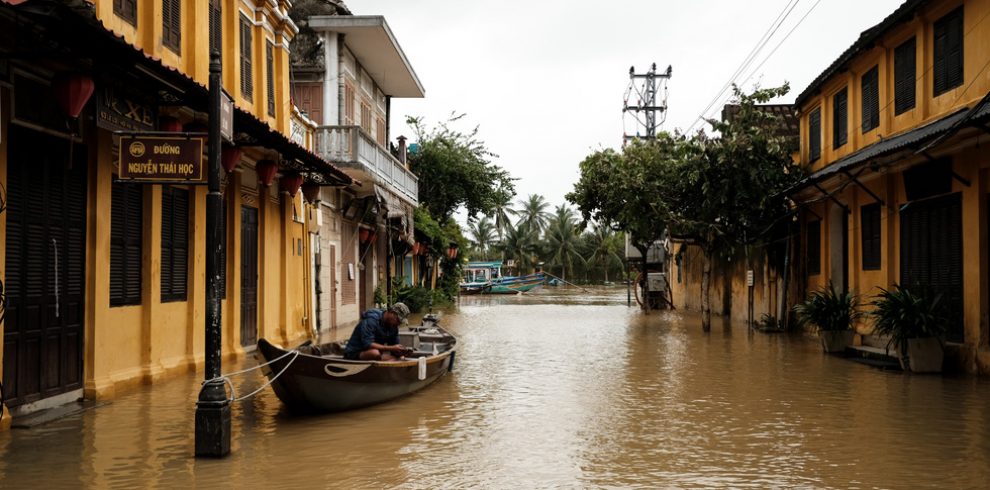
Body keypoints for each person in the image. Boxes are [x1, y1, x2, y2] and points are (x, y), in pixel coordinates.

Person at [343, 302, 412, 361]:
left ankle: (390, 360)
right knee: (374, 353)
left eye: (400, 322)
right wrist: (391, 348)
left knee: (401, 357)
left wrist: (401, 352)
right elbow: (368, 344)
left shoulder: (393, 326)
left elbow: (393, 346)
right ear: (391, 313)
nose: (398, 323)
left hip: (377, 354)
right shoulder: (371, 320)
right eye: (398, 320)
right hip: (355, 352)